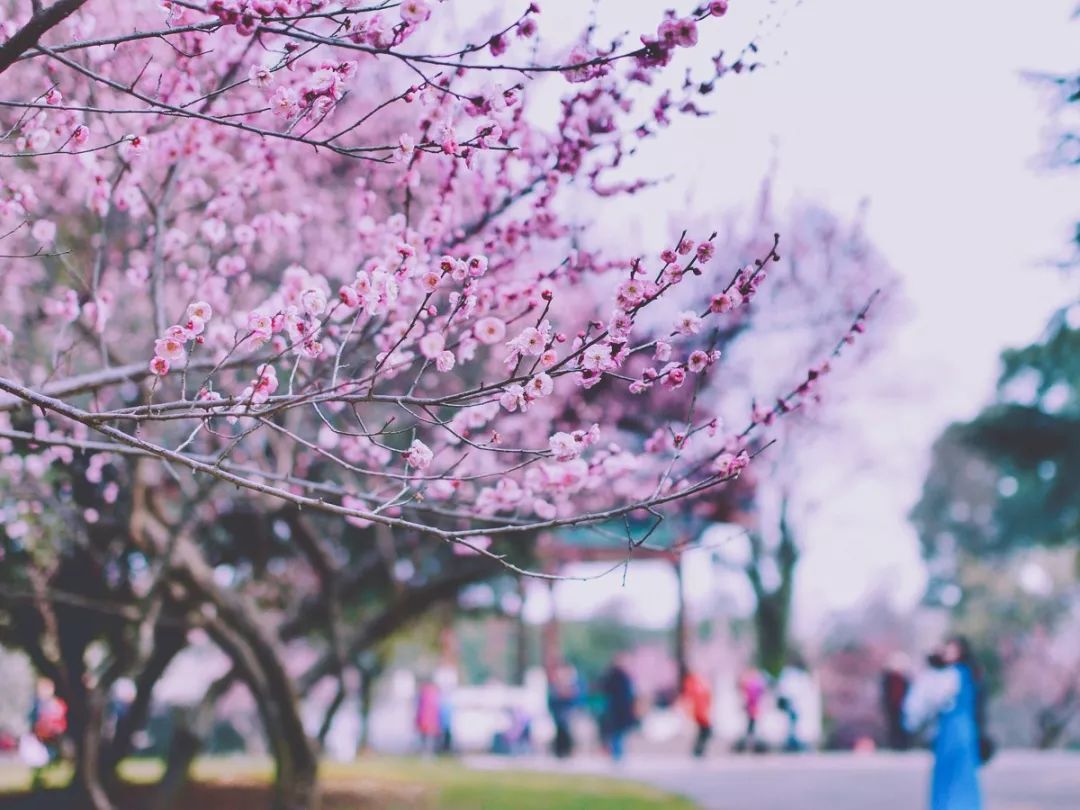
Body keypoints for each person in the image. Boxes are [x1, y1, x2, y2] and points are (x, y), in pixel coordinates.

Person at [903, 637, 985, 810]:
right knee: (960, 771)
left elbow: (933, 699)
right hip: (962, 729)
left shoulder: (953, 674)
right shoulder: (968, 673)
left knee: (952, 772)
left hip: (952, 729)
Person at [27, 678, 67, 789]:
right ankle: (39, 778)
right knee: (39, 758)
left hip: (53, 737)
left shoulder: (56, 704)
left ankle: (46, 773)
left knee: (51, 756)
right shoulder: (36, 704)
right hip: (40, 736)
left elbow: (61, 720)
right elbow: (32, 719)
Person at [600, 656, 636, 762]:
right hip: (618, 709)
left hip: (618, 709)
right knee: (617, 733)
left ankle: (617, 754)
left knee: (617, 733)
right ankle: (617, 754)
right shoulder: (621, 677)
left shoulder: (616, 676)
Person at [548, 662, 582, 759]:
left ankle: (566, 751)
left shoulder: (574, 684)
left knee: (567, 731)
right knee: (560, 731)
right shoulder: (556, 684)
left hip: (568, 712)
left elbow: (576, 698)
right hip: (559, 712)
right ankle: (559, 751)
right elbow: (553, 698)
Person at [679, 666, 713, 758]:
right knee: (705, 731)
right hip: (699, 712)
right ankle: (698, 749)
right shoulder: (691, 682)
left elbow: (707, 697)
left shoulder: (697, 682)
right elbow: (688, 697)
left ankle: (698, 749)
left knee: (703, 731)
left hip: (701, 712)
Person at [882, 653, 912, 750]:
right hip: (892, 705)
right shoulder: (888, 677)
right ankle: (894, 744)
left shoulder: (905, 678)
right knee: (893, 725)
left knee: (903, 725)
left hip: (903, 705)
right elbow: (886, 692)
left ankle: (903, 745)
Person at [735, 666, 766, 752]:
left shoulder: (751, 684)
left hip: (752, 709)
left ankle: (750, 744)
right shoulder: (754, 684)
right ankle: (750, 745)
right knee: (751, 727)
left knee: (751, 727)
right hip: (753, 709)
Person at [415, 680, 441, 755]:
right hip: (430, 722)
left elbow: (419, 710)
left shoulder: (423, 695)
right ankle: (428, 753)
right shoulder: (434, 695)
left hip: (425, 722)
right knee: (429, 739)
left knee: (426, 739)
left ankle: (426, 753)